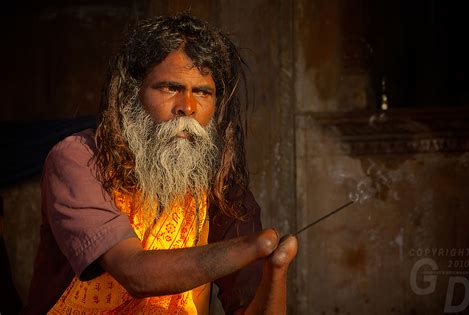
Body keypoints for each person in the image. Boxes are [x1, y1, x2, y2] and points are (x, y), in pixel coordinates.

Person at [23, 13, 297, 314]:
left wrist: (276, 271)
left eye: (203, 92)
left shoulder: (220, 187)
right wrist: (250, 248)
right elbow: (134, 273)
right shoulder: (78, 159)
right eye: (170, 88)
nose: (187, 108)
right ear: (132, 92)